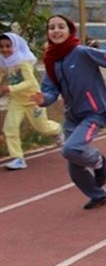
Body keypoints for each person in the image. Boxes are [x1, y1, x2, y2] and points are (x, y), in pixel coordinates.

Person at [33, 15, 106, 209]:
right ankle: (98, 195)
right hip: (72, 116)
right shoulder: (51, 61)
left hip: (94, 112)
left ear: (70, 30)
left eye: (61, 26)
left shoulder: (82, 53)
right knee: (74, 163)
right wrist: (43, 99)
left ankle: (98, 160)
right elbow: (51, 91)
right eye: (51, 27)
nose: (56, 30)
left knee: (71, 149)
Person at [1, 32, 62, 170]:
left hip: (33, 99)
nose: (4, 49)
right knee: (10, 127)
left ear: (15, 46)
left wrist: (10, 88)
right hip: (16, 101)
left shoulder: (23, 62)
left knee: (42, 127)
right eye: (1, 46)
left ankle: (58, 129)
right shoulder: (3, 62)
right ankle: (18, 158)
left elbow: (30, 82)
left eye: (8, 46)